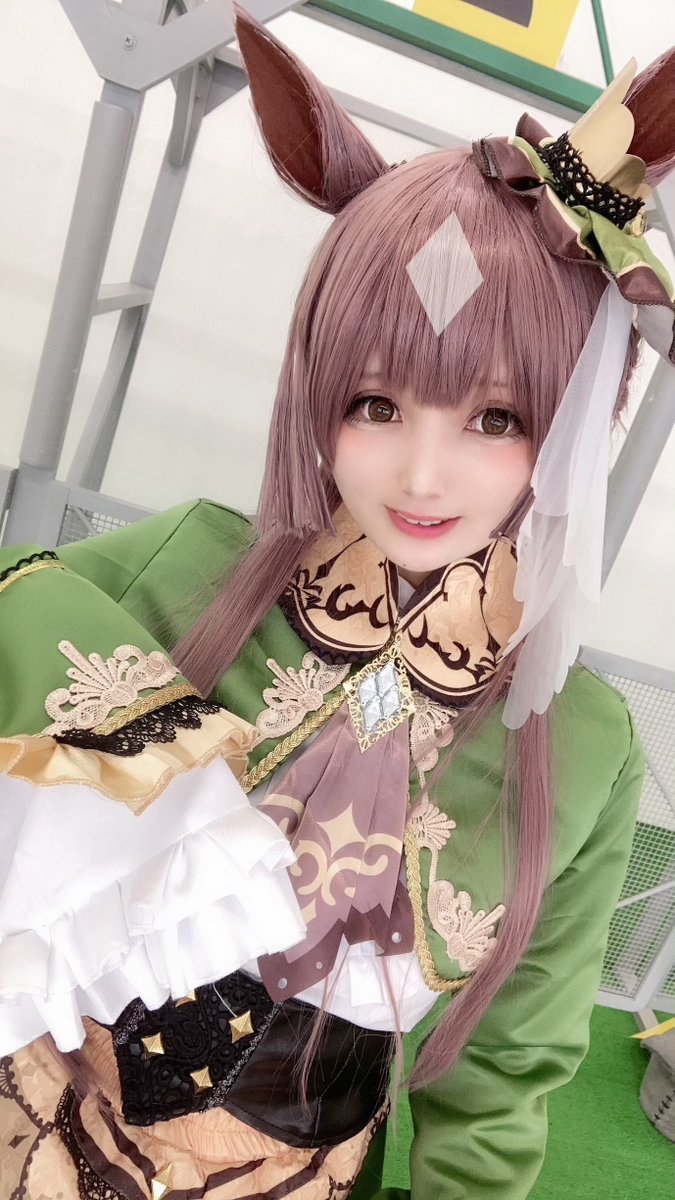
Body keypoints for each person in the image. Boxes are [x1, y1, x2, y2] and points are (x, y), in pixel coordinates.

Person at [1, 8, 674, 1198]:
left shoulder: (584, 747)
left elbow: (505, 1074)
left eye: (498, 418)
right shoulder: (189, 562)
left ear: (577, 423)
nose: (422, 476)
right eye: (375, 404)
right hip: (38, 1117)